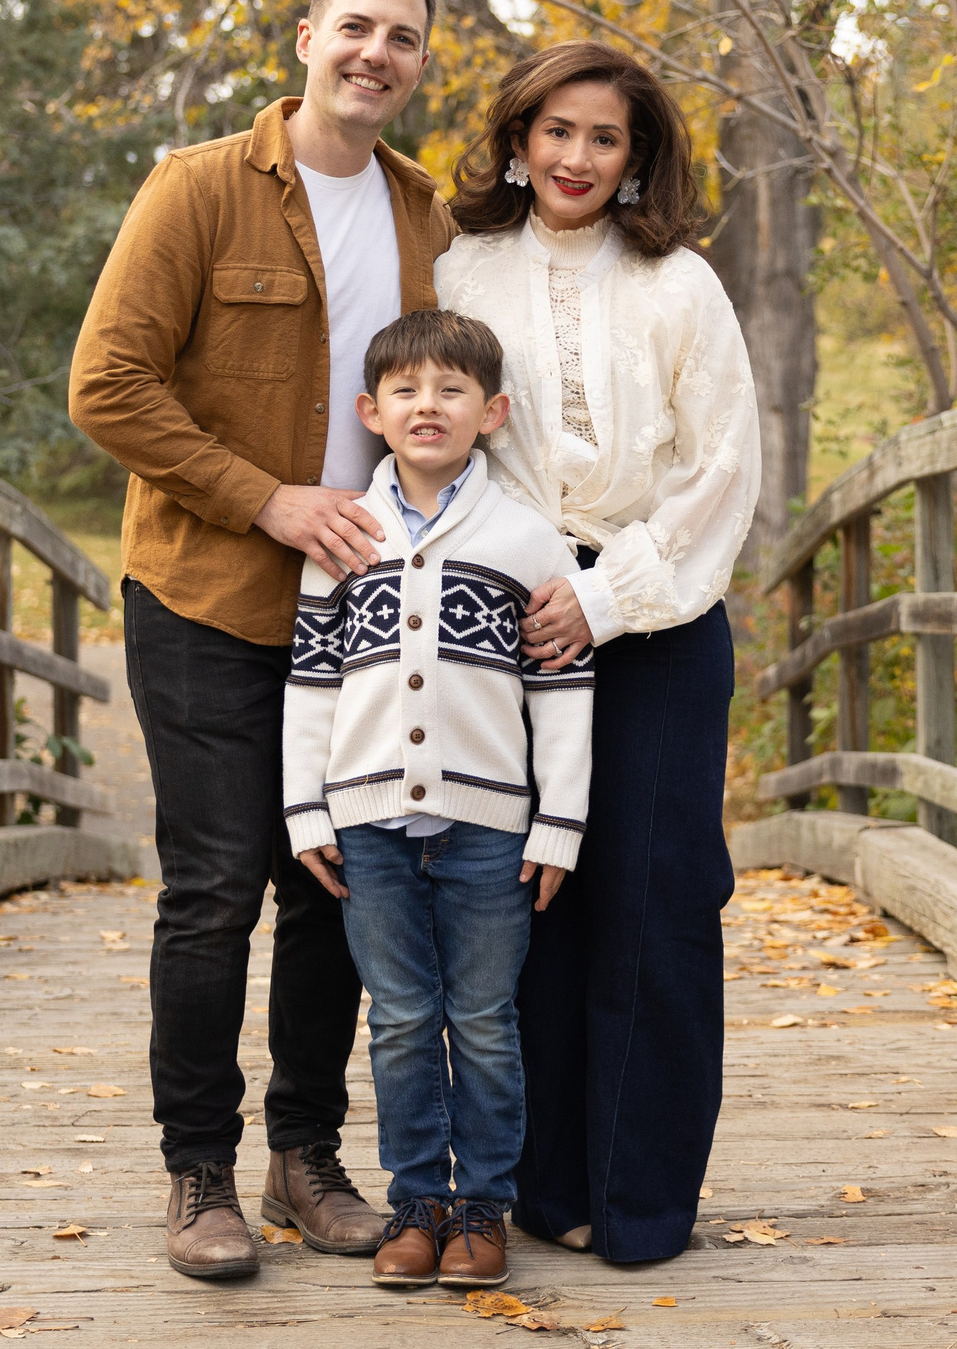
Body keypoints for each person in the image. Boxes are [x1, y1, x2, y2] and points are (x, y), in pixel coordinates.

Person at [67, 0, 455, 1281]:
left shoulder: (425, 217)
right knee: (218, 884)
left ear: (418, 62)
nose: (375, 55)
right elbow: (107, 387)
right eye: (356, 28)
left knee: (334, 887)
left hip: (362, 617)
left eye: (402, 38)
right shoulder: (197, 191)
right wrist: (269, 499)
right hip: (208, 595)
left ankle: (304, 1155)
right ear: (306, 36)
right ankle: (197, 1171)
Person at [432, 41, 760, 1264]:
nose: (575, 157)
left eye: (603, 138)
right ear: (517, 140)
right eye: (555, 131)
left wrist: (607, 597)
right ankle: (543, 1184)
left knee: (658, 899)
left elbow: (721, 468)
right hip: (501, 622)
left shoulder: (681, 283)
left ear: (635, 159)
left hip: (657, 620)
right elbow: (432, 421)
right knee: (531, 901)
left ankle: (641, 1201)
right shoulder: (460, 267)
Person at [281, 309, 593, 1292]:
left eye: (452, 390)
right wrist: (304, 809)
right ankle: (416, 1205)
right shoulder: (345, 535)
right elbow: (312, 681)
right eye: (407, 391)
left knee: (487, 1019)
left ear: (491, 412)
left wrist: (558, 823)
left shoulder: (527, 539)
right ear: (371, 412)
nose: (430, 406)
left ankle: (482, 1212)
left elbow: (561, 687)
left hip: (492, 829)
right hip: (368, 823)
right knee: (404, 1018)